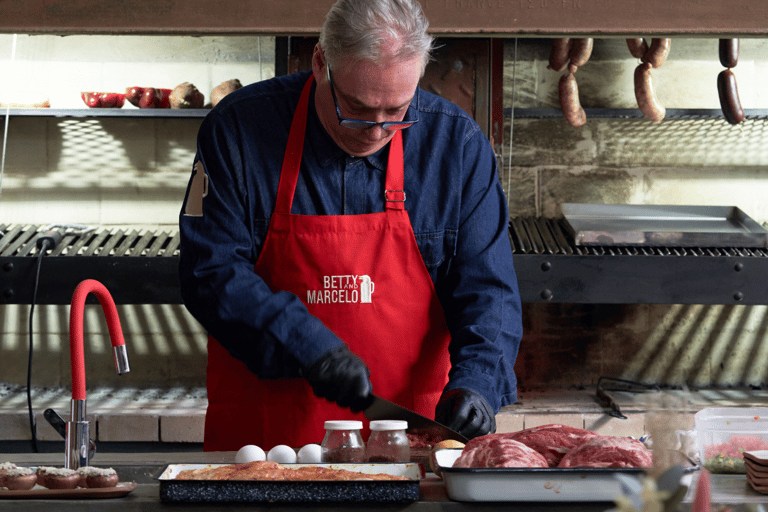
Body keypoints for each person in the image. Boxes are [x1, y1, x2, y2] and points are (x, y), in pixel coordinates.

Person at [178, 0, 523, 452]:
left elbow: (489, 290)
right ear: (321, 63)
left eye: (398, 111)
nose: (377, 130)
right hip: (266, 439)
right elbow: (209, 270)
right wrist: (303, 341)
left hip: (408, 438)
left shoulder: (455, 146)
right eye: (358, 109)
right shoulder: (238, 131)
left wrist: (477, 384)